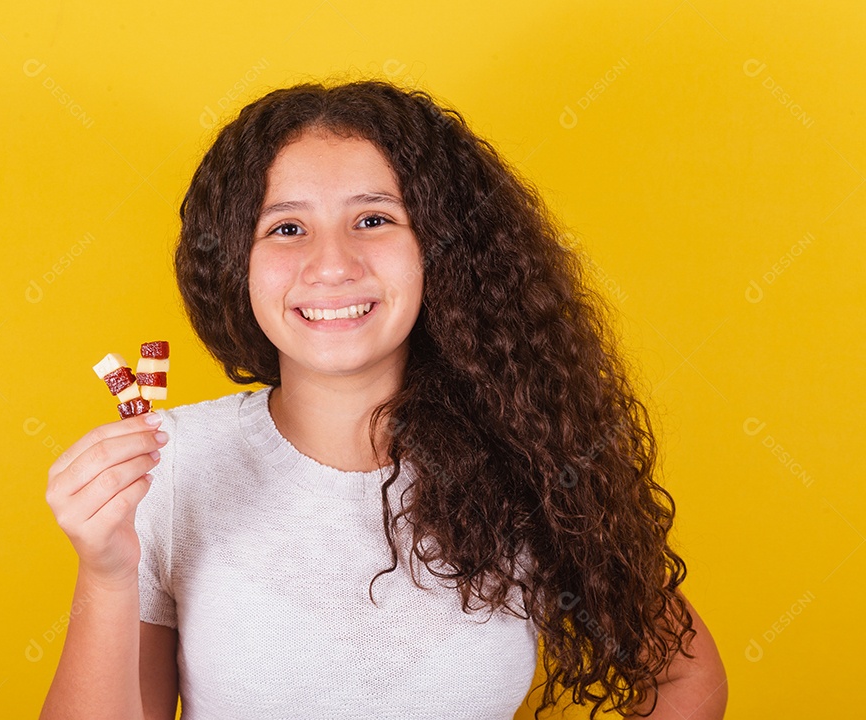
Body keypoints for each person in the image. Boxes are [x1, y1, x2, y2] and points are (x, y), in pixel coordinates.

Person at [41, 79, 728, 719]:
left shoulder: (527, 458)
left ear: (439, 250)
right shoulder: (173, 467)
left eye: (373, 219)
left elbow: (682, 670)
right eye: (286, 227)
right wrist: (106, 574)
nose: (333, 264)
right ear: (234, 264)